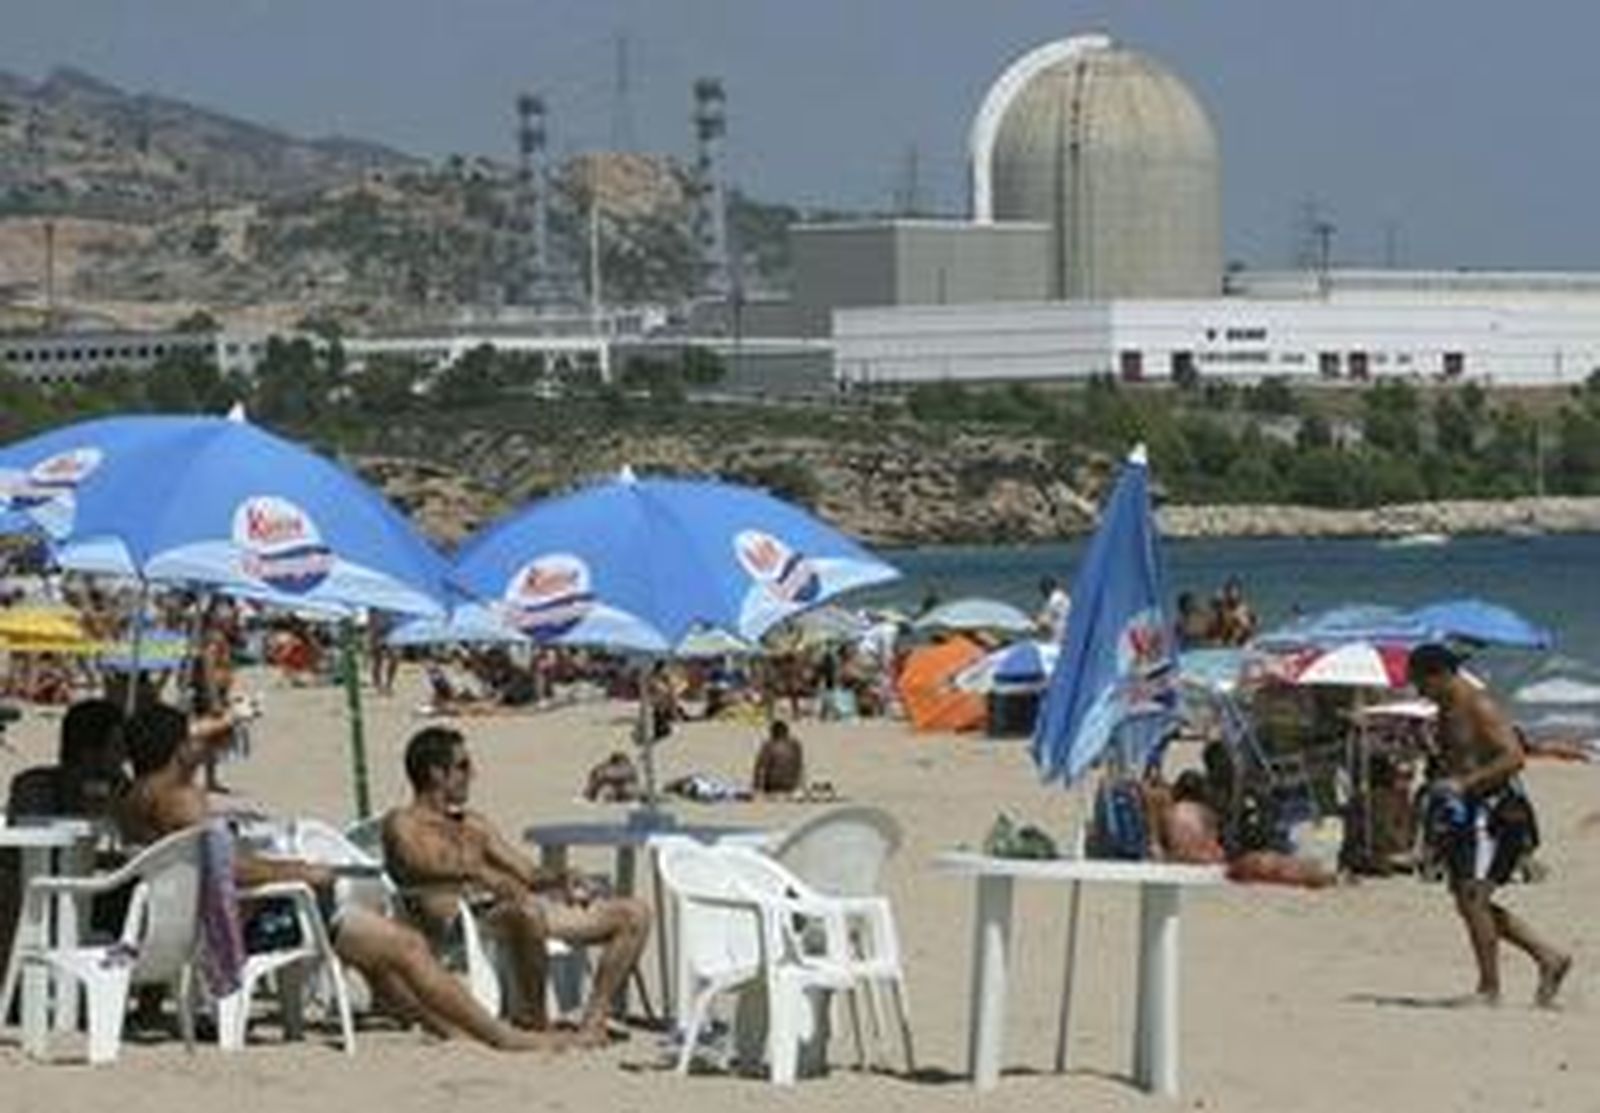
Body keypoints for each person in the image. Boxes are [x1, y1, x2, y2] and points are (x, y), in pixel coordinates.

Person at [115, 705, 558, 1051]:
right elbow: (230, 871)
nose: (200, 745)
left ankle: (451, 1029)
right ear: (179, 748)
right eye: (193, 738)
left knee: (383, 949)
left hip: (176, 927)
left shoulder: (133, 799)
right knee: (405, 945)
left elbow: (198, 865)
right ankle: (501, 1036)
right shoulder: (183, 800)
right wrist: (302, 871)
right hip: (236, 928)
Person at [383, 727, 651, 1045]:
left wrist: (562, 877)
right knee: (527, 913)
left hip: (504, 909)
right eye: (463, 767)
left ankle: (594, 1020)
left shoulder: (474, 824)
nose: (473, 775)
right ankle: (534, 1022)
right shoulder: (403, 822)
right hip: (456, 922)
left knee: (633, 914)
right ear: (436, 773)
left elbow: (526, 872)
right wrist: (482, 875)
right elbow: (418, 862)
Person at [1407, 643, 1572, 1007]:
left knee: (1473, 897)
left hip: (1493, 813)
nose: (1418, 691)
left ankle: (1489, 989)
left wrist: (1464, 784)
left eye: (1420, 682)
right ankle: (1548, 957)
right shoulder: (1446, 709)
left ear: (1440, 675)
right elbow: (1461, 757)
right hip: (1465, 814)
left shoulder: (1479, 705)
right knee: (1468, 901)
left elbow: (1513, 757)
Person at [751, 719, 804, 796]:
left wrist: (756, 785)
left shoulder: (769, 745)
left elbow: (760, 767)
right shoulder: (795, 745)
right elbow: (799, 765)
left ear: (773, 733)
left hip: (773, 785)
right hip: (791, 785)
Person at [1213, 577, 1257, 647]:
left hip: (1242, 642)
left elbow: (1250, 625)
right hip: (1229, 640)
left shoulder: (1241, 610)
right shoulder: (1222, 610)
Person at [1036, 575, 1071, 643]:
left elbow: (1045, 623)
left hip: (1059, 637)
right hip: (1069, 632)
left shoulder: (1052, 600)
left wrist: (1035, 622)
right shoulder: (1063, 596)